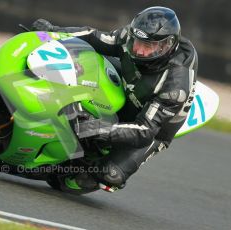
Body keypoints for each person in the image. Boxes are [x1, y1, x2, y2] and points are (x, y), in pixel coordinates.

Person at [31, 6, 198, 193]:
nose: (140, 51)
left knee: (110, 175)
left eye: (148, 46)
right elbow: (94, 37)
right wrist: (51, 32)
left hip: (153, 126)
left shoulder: (173, 87)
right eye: (138, 42)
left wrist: (94, 128)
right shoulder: (132, 36)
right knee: (85, 60)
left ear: (167, 45)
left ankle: (87, 158)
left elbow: (144, 130)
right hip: (133, 83)